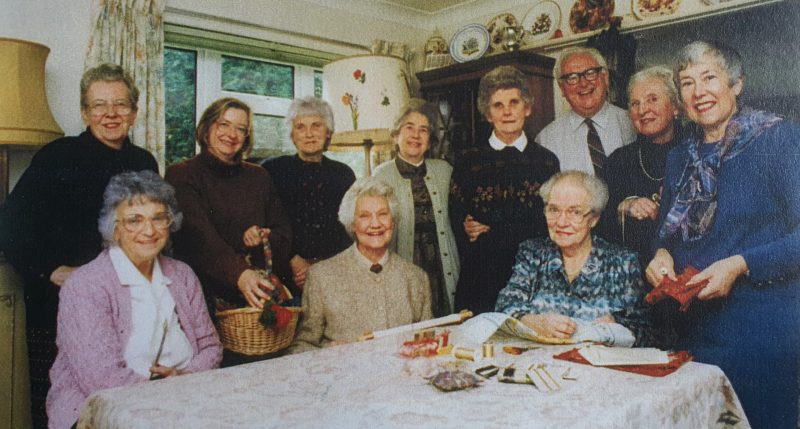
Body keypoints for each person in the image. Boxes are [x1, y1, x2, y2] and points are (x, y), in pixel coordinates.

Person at [645, 41, 800, 428]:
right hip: (694, 330)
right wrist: (660, 253)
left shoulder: (778, 139)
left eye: (709, 78)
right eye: (687, 83)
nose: (699, 92)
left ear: (736, 83)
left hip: (761, 332)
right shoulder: (679, 157)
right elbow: (665, 235)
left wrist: (741, 264)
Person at [0, 63, 158, 428]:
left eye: (120, 104)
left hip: (127, 305)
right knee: (66, 407)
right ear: (85, 113)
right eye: (99, 105)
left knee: (126, 402)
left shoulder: (144, 162)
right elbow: (10, 224)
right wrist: (51, 270)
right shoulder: (58, 156)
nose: (110, 114)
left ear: (134, 112)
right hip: (58, 304)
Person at [46, 171, 222, 429]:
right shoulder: (85, 285)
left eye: (158, 218)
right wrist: (165, 395)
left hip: (185, 397)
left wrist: (186, 376)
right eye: (134, 220)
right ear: (114, 229)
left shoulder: (182, 274)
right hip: (105, 411)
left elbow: (211, 346)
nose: (149, 231)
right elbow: (102, 381)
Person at [165, 97, 291, 364]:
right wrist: (240, 273)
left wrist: (262, 236)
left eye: (240, 128)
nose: (231, 134)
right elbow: (199, 238)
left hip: (253, 309)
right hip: (203, 297)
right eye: (224, 124)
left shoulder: (259, 176)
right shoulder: (181, 174)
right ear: (207, 128)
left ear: (247, 137)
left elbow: (282, 232)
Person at [495, 171, 652, 347]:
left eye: (575, 212)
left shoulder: (623, 262)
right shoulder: (533, 254)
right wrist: (533, 322)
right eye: (554, 210)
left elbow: (648, 332)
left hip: (598, 363)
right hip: (537, 360)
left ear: (593, 219)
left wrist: (617, 326)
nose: (561, 222)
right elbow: (504, 307)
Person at [450, 65, 559, 315]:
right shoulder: (467, 161)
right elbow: (456, 220)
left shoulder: (547, 161)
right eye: (498, 105)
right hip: (482, 278)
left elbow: (552, 219)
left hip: (535, 277)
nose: (507, 112)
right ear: (488, 114)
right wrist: (466, 227)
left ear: (527, 108)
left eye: (514, 102)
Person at [291, 177, 432, 353]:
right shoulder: (321, 277)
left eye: (383, 214)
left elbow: (430, 342)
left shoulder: (416, 277)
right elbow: (300, 346)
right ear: (352, 224)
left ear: (393, 221)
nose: (375, 224)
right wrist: (327, 353)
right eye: (364, 216)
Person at [373, 99, 459, 317]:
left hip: (443, 266)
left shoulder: (445, 171)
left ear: (429, 141)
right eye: (409, 128)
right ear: (396, 135)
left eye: (423, 130)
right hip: (402, 266)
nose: (416, 135)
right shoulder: (380, 176)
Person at [262, 97, 355, 296]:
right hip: (284, 273)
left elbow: (349, 229)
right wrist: (293, 259)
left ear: (328, 131)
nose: (309, 134)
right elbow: (267, 222)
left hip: (334, 272)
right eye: (300, 127)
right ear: (292, 135)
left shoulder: (343, 174)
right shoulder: (272, 170)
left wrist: (320, 267)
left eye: (316, 126)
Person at [601, 66, 682, 266]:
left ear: (675, 107)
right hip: (636, 271)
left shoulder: (697, 152)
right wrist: (624, 207)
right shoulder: (618, 161)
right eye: (635, 103)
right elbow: (599, 223)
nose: (643, 110)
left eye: (652, 99)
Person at [535, 47, 636, 175]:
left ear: (605, 78)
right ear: (562, 88)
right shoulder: (546, 140)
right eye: (572, 77)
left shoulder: (633, 123)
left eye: (590, 73)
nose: (583, 83)